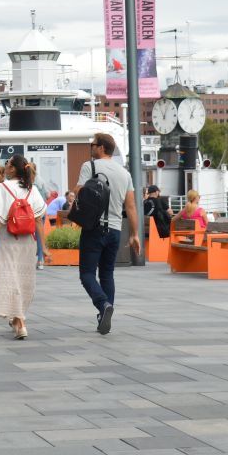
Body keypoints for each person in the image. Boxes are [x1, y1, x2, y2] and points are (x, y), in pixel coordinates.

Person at [74, 133, 139, 336]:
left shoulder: (90, 167)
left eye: (93, 145)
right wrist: (135, 234)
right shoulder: (124, 173)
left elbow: (78, 192)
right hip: (116, 230)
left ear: (101, 148)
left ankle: (103, 305)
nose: (91, 148)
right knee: (107, 273)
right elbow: (131, 206)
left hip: (94, 228)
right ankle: (105, 313)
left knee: (86, 274)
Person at [0, 155, 48, 339]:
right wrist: (43, 247)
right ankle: (16, 319)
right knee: (22, 280)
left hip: (9, 238)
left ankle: (20, 321)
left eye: (7, 163)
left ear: (13, 169)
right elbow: (39, 220)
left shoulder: (2, 187)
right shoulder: (32, 189)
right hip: (28, 241)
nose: (5, 166)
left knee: (8, 279)